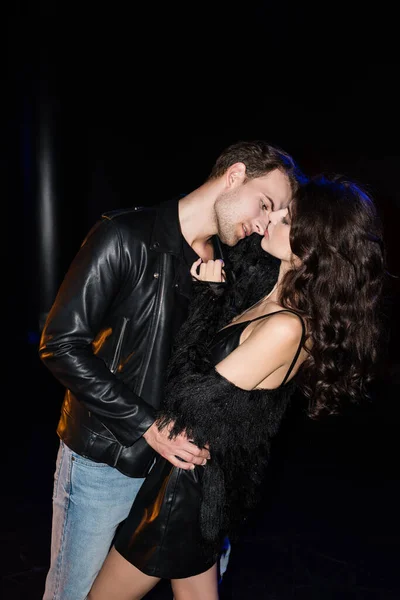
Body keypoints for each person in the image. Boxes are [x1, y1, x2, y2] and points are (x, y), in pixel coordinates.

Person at [87, 173, 387, 600]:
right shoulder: (270, 296)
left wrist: (208, 301)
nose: (275, 217)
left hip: (182, 494)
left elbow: (187, 402)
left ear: (310, 248)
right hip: (199, 485)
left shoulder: (286, 327)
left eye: (287, 217)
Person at [38, 140, 305, 600]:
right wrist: (148, 425)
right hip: (107, 461)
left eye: (276, 214)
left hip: (183, 471)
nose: (264, 222)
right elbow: (60, 344)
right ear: (235, 174)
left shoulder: (237, 265)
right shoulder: (124, 235)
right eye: (265, 204)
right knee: (75, 594)